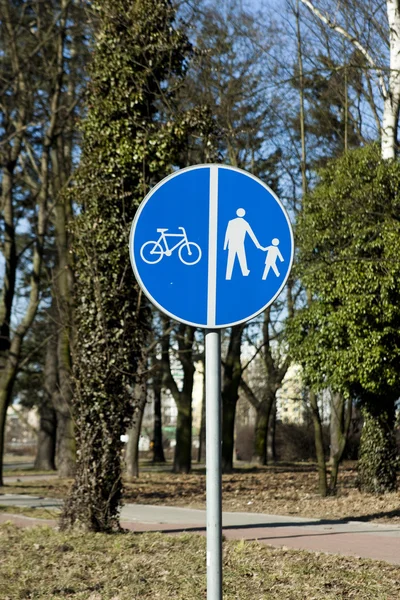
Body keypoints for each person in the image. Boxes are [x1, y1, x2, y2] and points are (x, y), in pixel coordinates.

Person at [224, 208, 262, 280]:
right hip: (239, 244)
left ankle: (228, 275)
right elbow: (252, 235)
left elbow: (227, 234)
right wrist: (257, 245)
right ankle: (244, 272)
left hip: (232, 244)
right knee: (242, 258)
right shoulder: (244, 223)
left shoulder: (231, 222)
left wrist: (225, 245)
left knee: (231, 259)